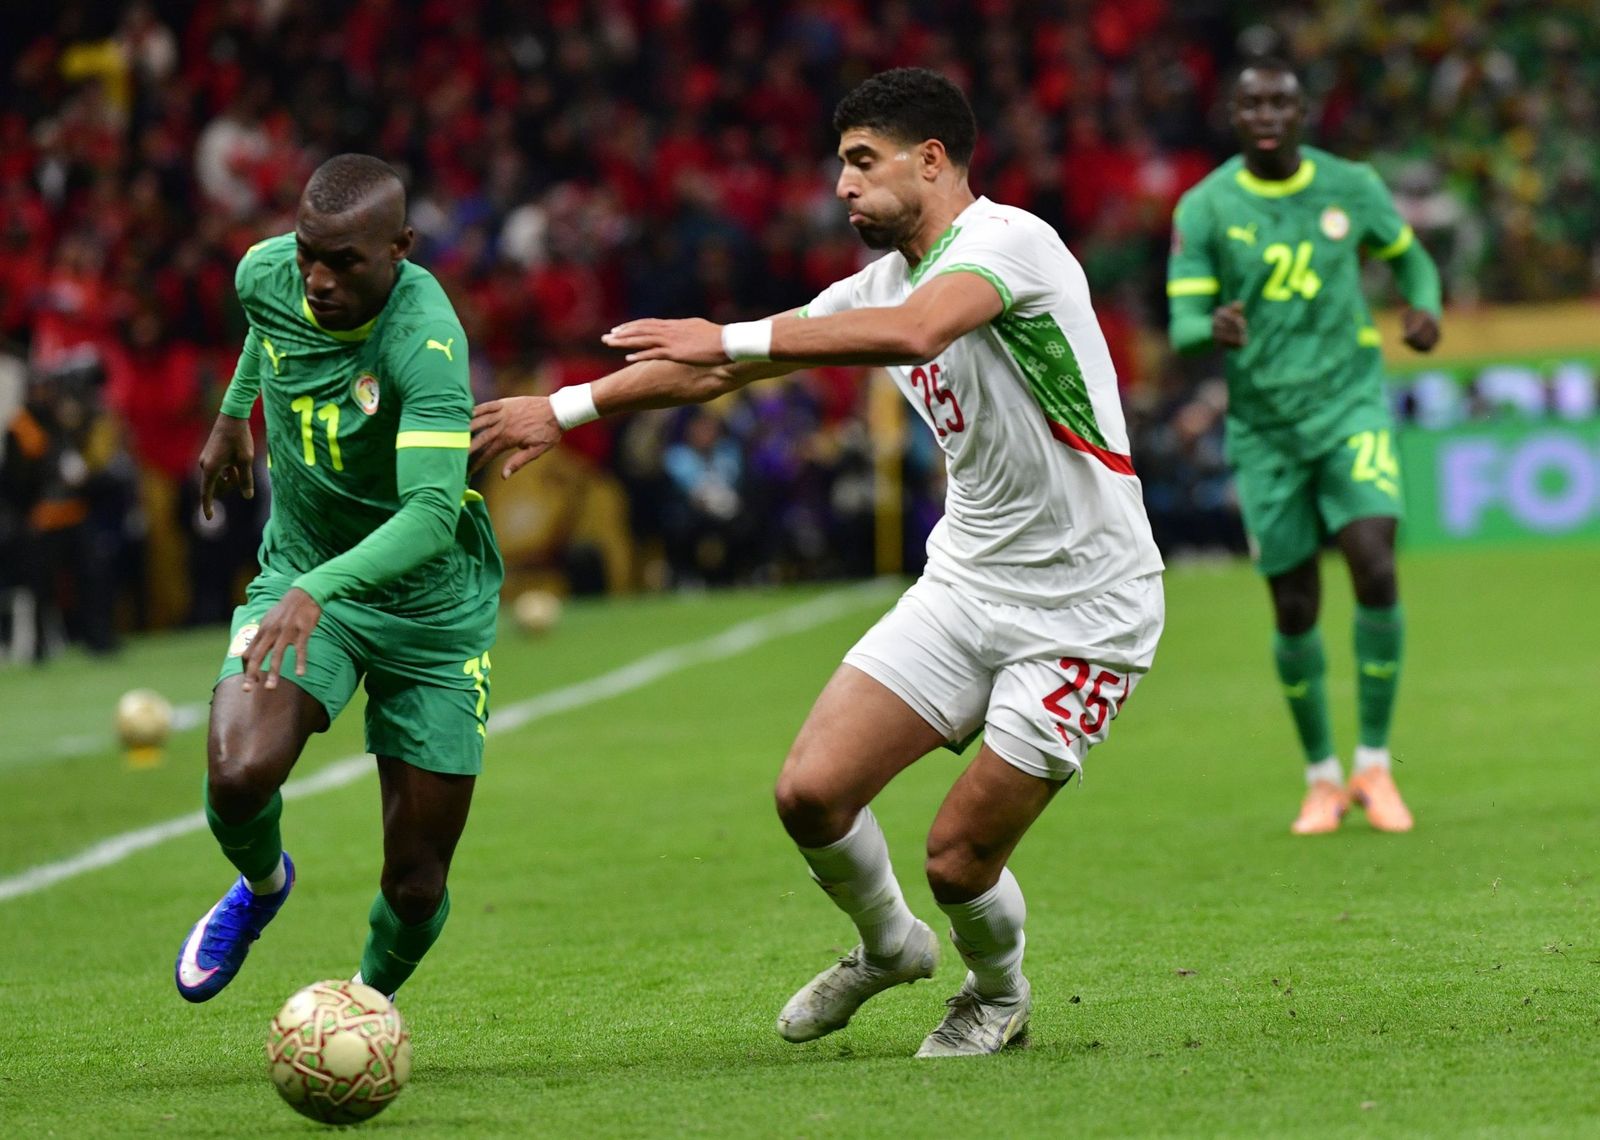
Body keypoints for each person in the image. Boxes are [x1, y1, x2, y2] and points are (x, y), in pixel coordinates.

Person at [472, 68, 1164, 1057]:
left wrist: (735, 333)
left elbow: (918, 331)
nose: (841, 185)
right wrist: (567, 406)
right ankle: (888, 948)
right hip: (968, 583)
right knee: (810, 793)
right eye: (839, 164)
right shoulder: (875, 284)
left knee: (958, 860)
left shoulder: (1012, 244)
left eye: (861, 162)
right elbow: (722, 365)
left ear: (931, 161)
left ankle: (995, 996)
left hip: (1088, 607)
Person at [174, 154, 502, 1004]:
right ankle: (263, 884)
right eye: (307, 251)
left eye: (344, 262)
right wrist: (231, 413)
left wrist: (318, 590)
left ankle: (363, 1005)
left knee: (417, 879)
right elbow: (265, 321)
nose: (316, 279)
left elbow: (432, 516)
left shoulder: (426, 343)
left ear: (400, 248)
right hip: (302, 569)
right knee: (237, 773)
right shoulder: (268, 271)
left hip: (429, 608)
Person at [1165, 59, 1442, 836]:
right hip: (1265, 430)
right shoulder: (1208, 205)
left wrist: (1423, 309)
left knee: (1376, 561)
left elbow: (1411, 259)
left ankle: (1376, 767)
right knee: (1294, 605)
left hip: (1350, 407)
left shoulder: (1351, 186)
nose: (1265, 113)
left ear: (1302, 111)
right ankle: (1322, 777)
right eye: (1250, 100)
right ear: (1233, 111)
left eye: (1279, 101)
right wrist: (1210, 330)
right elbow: (1184, 323)